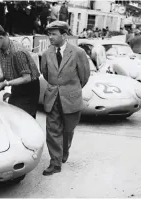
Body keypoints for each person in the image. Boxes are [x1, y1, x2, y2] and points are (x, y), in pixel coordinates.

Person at [40, 21, 90, 176]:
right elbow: (46, 74)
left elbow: (84, 76)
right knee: (52, 130)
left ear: (64, 35)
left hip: (71, 98)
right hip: (52, 97)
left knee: (68, 130)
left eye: (54, 34)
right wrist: (56, 87)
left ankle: (64, 149)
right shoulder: (47, 53)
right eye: (49, 34)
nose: (50, 37)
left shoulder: (78, 53)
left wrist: (71, 89)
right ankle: (55, 163)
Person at [0, 23, 41, 118]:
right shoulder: (1, 50)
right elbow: (10, 72)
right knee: (12, 113)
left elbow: (27, 78)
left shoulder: (17, 52)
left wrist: (5, 84)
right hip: (17, 86)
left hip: (29, 88)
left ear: (1, 37)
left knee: (24, 118)